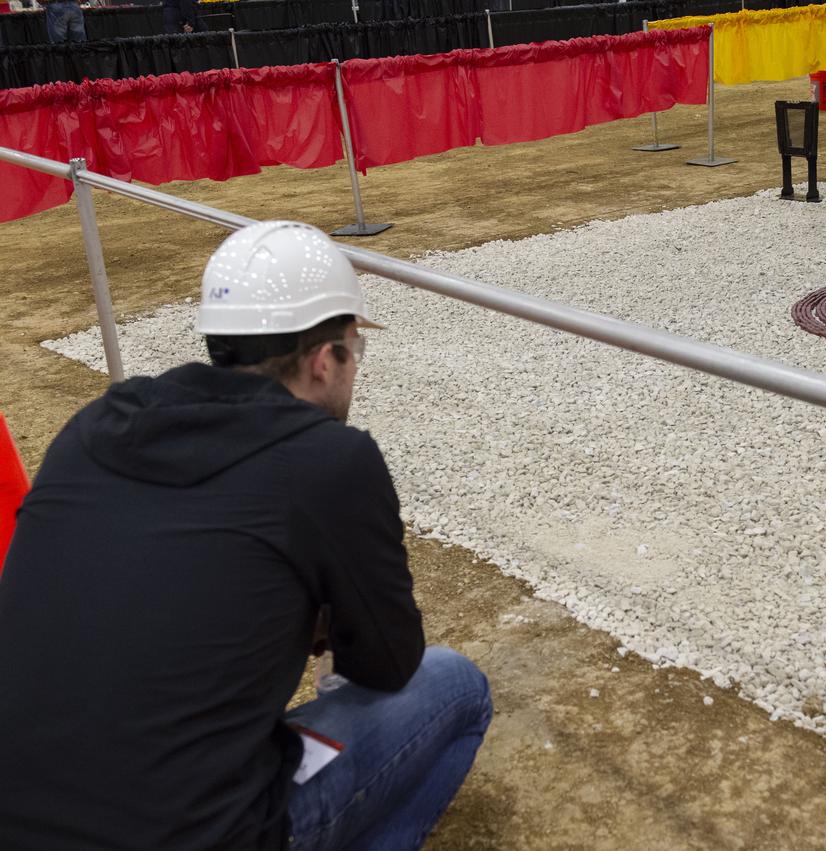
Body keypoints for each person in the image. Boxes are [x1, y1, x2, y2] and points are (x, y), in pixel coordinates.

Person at [0, 221, 492, 850]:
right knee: (455, 685)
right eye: (354, 354)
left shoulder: (95, 425)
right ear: (324, 360)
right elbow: (387, 664)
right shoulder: (330, 462)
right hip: (196, 834)